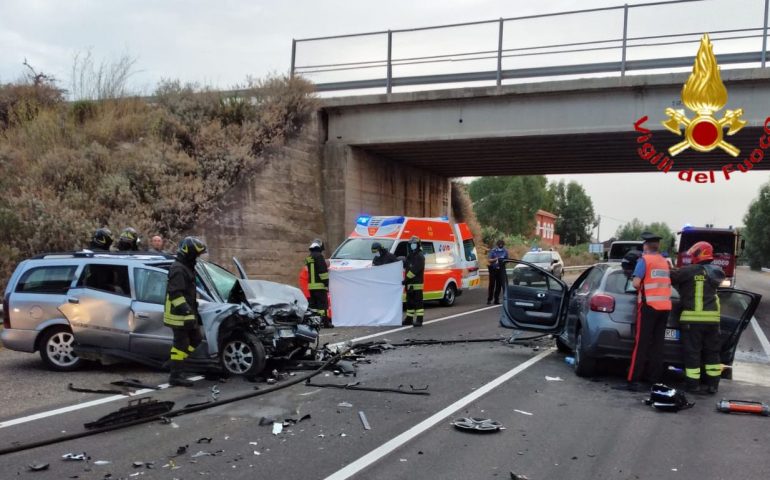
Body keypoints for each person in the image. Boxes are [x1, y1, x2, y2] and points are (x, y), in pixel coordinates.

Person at [670, 241, 725, 394]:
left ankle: (693, 385)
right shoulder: (716, 272)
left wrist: (665, 266)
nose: (692, 257)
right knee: (712, 353)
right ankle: (713, 385)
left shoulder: (689, 271)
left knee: (692, 353)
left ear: (699, 254)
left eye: (694, 254)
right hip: (712, 321)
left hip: (692, 321)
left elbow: (671, 276)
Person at [622, 232, 672, 391]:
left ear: (645, 246)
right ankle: (654, 380)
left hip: (648, 306)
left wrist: (636, 280)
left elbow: (636, 284)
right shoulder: (664, 262)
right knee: (658, 345)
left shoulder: (644, 261)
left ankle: (633, 380)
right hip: (664, 308)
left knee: (641, 344)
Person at [164, 236, 207, 387]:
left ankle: (175, 363)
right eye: (196, 254)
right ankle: (176, 376)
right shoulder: (178, 269)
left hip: (187, 313)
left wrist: (194, 313)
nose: (197, 257)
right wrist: (187, 312)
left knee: (196, 339)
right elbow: (175, 294)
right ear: (188, 252)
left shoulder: (187, 267)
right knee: (180, 345)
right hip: (178, 315)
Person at [306, 238, 332, 328]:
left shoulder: (309, 257)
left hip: (311, 286)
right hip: (320, 286)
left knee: (314, 306)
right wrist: (326, 284)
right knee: (323, 306)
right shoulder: (319, 256)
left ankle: (315, 323)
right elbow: (323, 272)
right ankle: (325, 323)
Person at [403, 236, 425, 327]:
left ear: (418, 245)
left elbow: (414, 270)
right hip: (410, 284)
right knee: (409, 303)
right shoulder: (410, 256)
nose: (412, 245)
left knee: (418, 303)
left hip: (417, 284)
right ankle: (409, 319)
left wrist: (406, 280)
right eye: (411, 244)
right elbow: (407, 267)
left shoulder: (420, 256)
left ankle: (419, 320)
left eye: (414, 244)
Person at [487, 239, 508, 305]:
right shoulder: (493, 251)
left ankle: (496, 299)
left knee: (499, 285)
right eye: (499, 245)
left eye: (502, 245)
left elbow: (507, 259)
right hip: (493, 269)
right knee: (492, 285)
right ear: (497, 245)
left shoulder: (505, 251)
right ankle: (489, 299)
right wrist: (495, 259)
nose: (501, 246)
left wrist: (503, 262)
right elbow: (489, 260)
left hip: (501, 269)